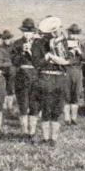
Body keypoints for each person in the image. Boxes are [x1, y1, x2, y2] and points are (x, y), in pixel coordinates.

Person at [31, 16, 70, 145]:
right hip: (46, 78)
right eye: (54, 30)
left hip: (60, 77)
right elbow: (36, 63)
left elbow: (69, 60)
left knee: (57, 110)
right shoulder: (38, 43)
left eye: (57, 29)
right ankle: (46, 138)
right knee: (46, 109)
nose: (57, 32)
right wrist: (47, 57)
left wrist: (62, 58)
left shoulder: (63, 43)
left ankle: (54, 139)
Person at [11, 18, 40, 139]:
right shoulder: (17, 43)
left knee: (34, 105)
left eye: (30, 32)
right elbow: (13, 61)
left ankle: (32, 132)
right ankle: (24, 132)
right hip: (22, 76)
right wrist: (22, 53)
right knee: (23, 104)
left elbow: (42, 61)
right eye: (25, 31)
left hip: (36, 76)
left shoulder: (39, 44)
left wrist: (32, 53)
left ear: (34, 32)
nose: (27, 34)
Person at [64, 23, 85, 126]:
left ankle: (74, 118)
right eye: (72, 33)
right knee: (66, 95)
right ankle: (66, 118)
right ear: (68, 33)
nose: (73, 36)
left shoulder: (81, 45)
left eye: (76, 34)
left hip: (77, 71)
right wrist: (68, 52)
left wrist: (80, 52)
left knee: (76, 94)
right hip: (66, 71)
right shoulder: (63, 44)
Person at [1, 29, 17, 113]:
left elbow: (16, 58)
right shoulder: (0, 47)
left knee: (10, 87)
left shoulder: (13, 47)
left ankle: (10, 106)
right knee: (3, 87)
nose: (6, 40)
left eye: (8, 38)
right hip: (2, 70)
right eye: (5, 38)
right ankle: (3, 105)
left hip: (11, 70)